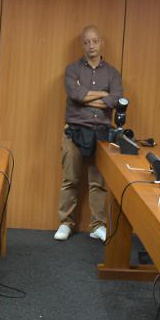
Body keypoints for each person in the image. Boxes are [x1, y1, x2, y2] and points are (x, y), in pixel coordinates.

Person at [54, 25, 124, 243]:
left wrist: (87, 97)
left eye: (94, 41)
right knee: (70, 179)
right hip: (74, 131)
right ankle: (65, 223)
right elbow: (75, 94)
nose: (91, 46)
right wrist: (102, 94)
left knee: (98, 183)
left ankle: (97, 226)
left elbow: (116, 99)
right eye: (86, 42)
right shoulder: (72, 69)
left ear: (101, 42)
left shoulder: (112, 73)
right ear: (82, 44)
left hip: (101, 133)